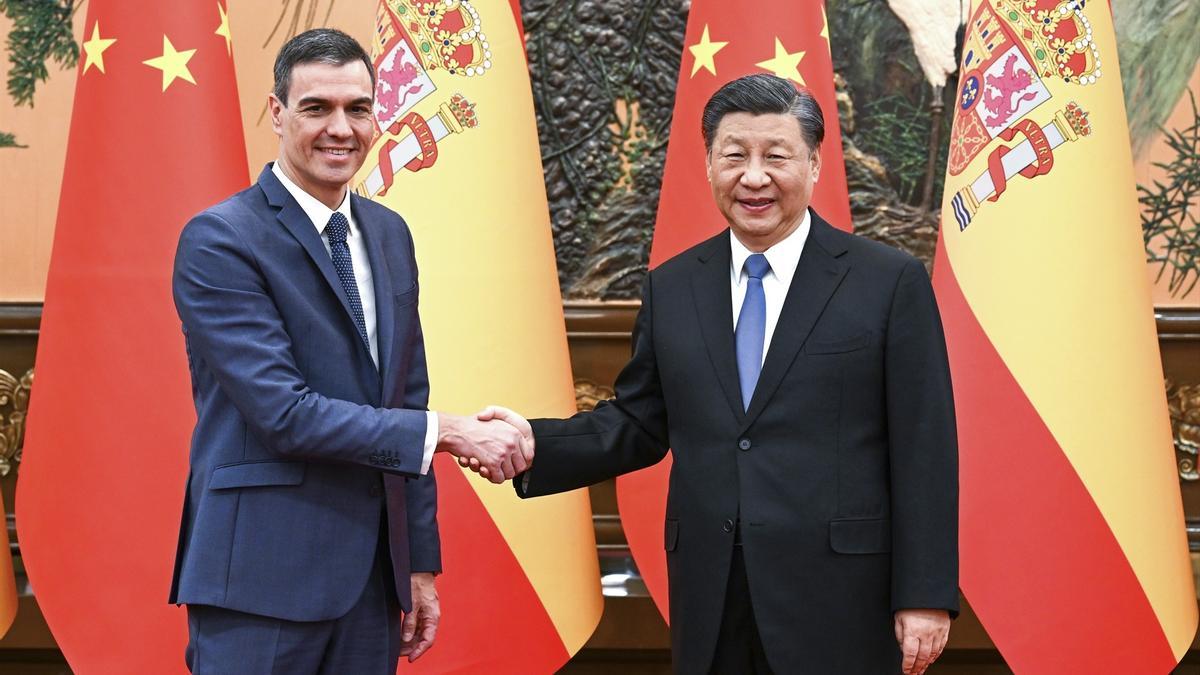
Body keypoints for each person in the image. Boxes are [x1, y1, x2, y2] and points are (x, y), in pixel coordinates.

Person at [477, 74, 959, 674]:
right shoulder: (674, 285)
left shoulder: (886, 282)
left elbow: (924, 447)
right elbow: (638, 422)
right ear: (708, 165)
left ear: (813, 164)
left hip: (840, 597)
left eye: (775, 156)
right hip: (713, 592)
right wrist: (530, 443)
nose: (753, 177)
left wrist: (925, 595)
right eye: (734, 155)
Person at [169, 28, 531, 674]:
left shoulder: (389, 234)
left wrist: (417, 562)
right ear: (277, 113)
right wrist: (451, 433)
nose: (342, 128)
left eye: (358, 108)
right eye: (317, 108)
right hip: (261, 582)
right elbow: (284, 412)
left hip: (371, 587)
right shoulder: (220, 239)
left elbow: (405, 394)